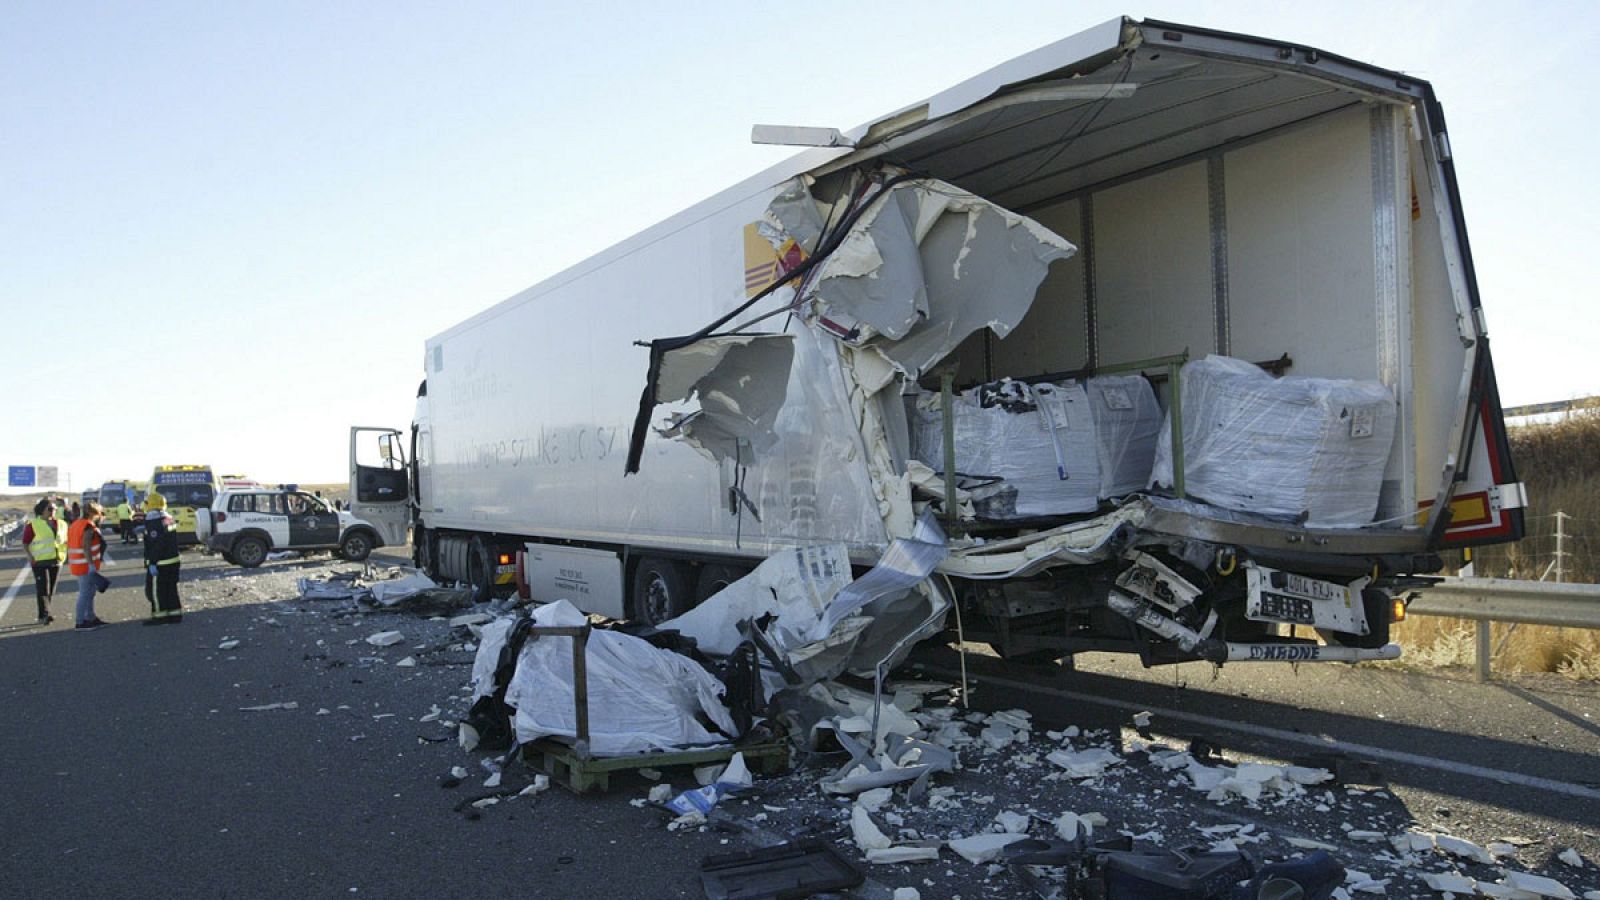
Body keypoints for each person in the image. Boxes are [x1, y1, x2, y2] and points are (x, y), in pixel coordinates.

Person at [20, 499, 66, 624]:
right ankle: (45, 614)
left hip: (56, 560)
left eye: (55, 509)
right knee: (43, 589)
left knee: (51, 589)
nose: (53, 511)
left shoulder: (62, 524)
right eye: (50, 509)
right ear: (42, 511)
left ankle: (45, 613)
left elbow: (64, 541)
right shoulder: (33, 524)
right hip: (39, 561)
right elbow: (25, 543)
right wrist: (30, 556)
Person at [67, 502, 109, 631]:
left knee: (89, 592)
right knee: (85, 593)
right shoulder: (88, 526)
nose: (99, 516)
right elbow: (86, 546)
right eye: (98, 513)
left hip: (78, 563)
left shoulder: (76, 524)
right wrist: (91, 564)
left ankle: (90, 617)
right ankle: (80, 621)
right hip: (84, 564)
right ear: (92, 513)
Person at [142, 506, 183, 624]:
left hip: (161, 563)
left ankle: (160, 616)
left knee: (157, 591)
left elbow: (157, 544)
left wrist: (152, 562)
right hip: (173, 561)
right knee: (171, 590)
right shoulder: (168, 518)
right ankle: (175, 614)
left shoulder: (154, 521)